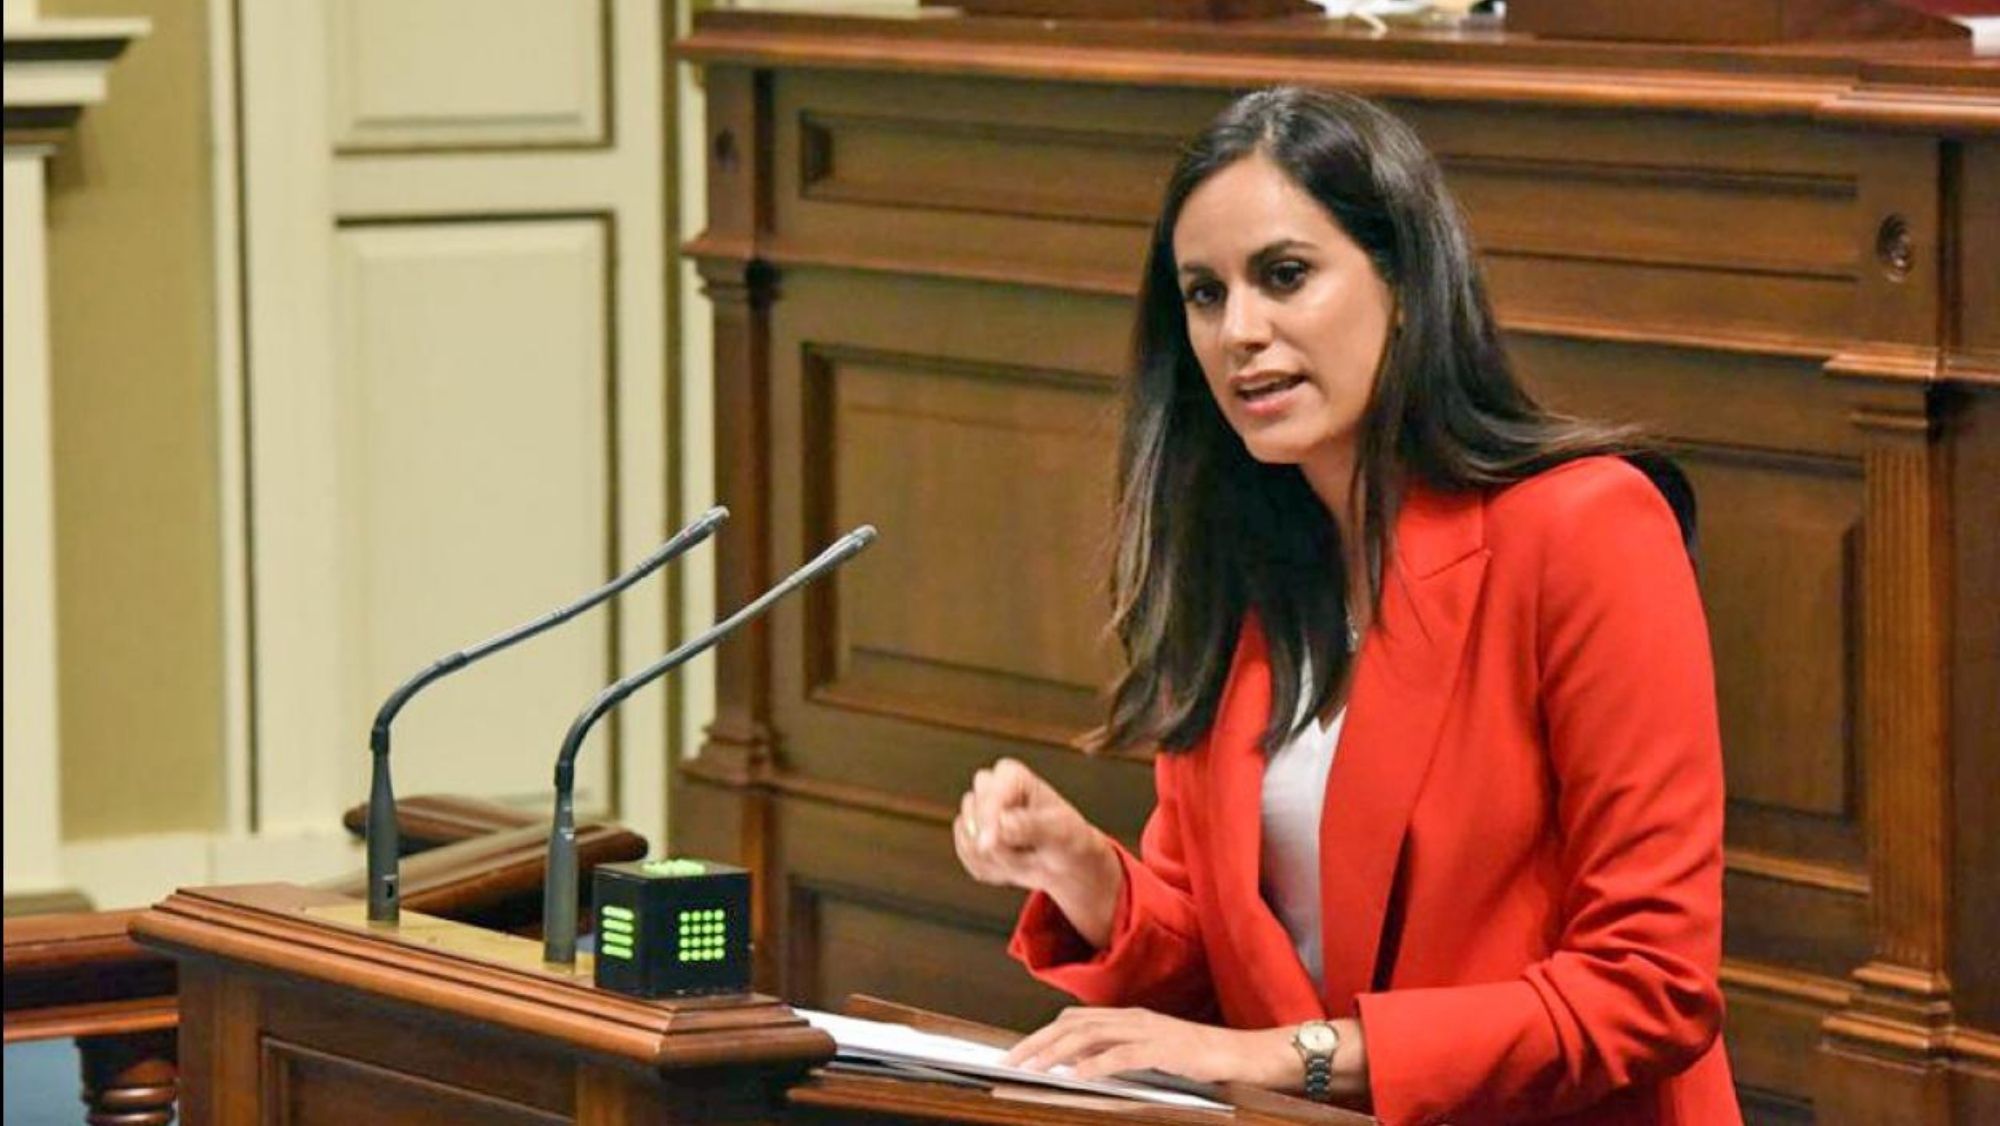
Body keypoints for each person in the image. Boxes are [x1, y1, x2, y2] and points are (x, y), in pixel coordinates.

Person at [951, 87, 1740, 1125]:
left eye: (1284, 275)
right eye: (1203, 293)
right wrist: (1087, 873)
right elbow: (1230, 978)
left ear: (1405, 284)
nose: (1238, 331)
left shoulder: (1586, 527)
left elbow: (1649, 985)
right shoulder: (1243, 574)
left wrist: (1293, 1057)